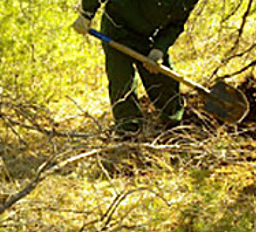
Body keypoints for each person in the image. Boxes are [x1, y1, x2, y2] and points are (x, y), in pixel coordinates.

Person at [71, 0, 199, 136]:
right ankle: (129, 133)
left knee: (165, 84)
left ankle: (174, 128)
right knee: (122, 84)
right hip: (117, 29)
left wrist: (159, 49)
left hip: (148, 37)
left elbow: (176, 24)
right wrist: (86, 14)